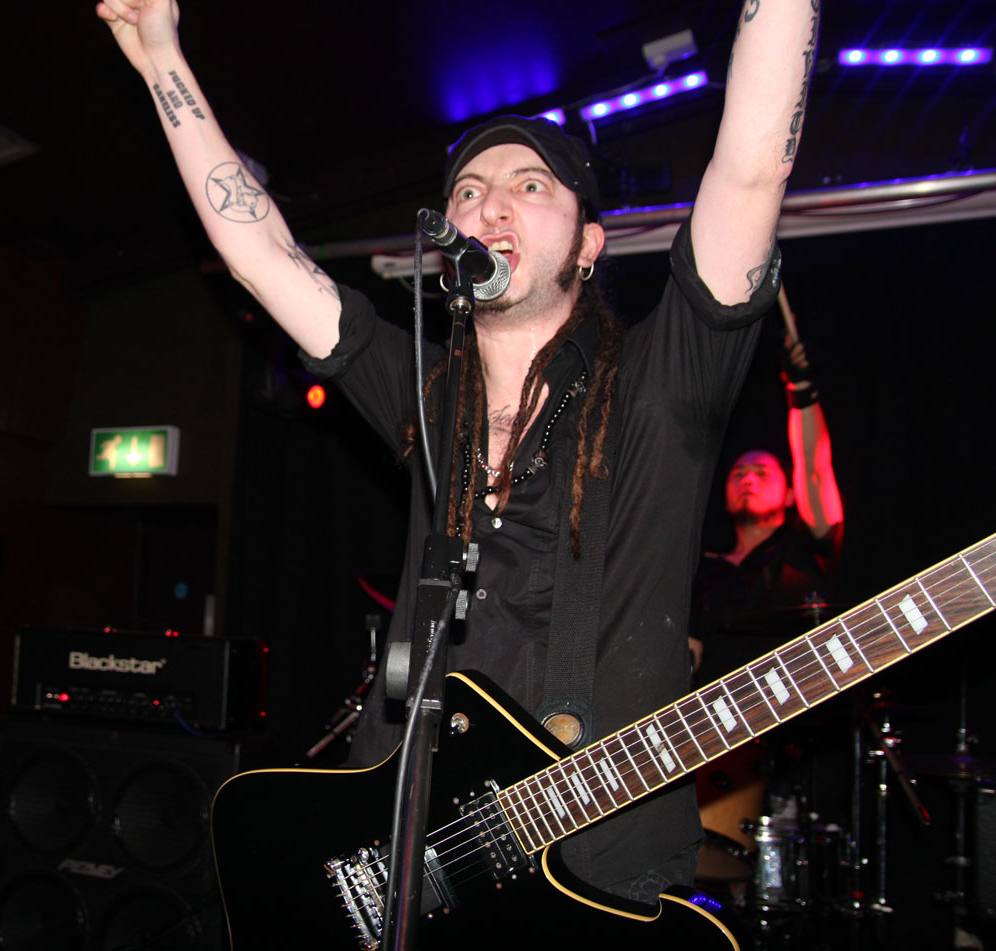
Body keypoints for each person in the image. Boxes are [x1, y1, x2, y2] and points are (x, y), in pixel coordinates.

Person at [96, 0, 822, 936]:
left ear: (589, 245)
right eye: (470, 190)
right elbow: (258, 252)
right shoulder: (429, 395)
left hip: (597, 882)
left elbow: (751, 168)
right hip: (391, 858)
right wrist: (160, 54)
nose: (490, 204)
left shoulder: (659, 382)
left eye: (531, 185)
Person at [690, 328, 845, 683]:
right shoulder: (701, 572)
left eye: (761, 473)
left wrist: (800, 388)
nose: (748, 479)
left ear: (791, 494)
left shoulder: (803, 548)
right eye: (739, 474)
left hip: (795, 705)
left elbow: (814, 467)